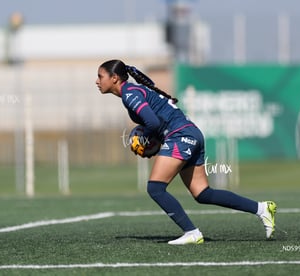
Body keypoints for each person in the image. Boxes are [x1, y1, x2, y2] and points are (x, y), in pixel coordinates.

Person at [95, 59, 276, 245]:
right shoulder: (134, 91)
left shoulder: (129, 94)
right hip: (191, 133)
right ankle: (262, 208)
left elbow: (154, 123)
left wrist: (144, 137)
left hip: (180, 135)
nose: (97, 81)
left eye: (100, 76)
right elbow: (158, 121)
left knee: (155, 188)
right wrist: (153, 138)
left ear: (115, 78)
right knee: (203, 194)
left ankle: (192, 232)